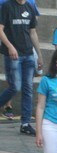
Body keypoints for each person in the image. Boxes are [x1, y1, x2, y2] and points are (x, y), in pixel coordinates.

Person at [0, 0, 42, 136]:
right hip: (13, 55)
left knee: (28, 88)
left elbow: (33, 32)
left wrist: (39, 55)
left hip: (28, 54)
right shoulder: (7, 6)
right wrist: (9, 46)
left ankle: (25, 124)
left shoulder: (30, 6)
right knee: (15, 86)